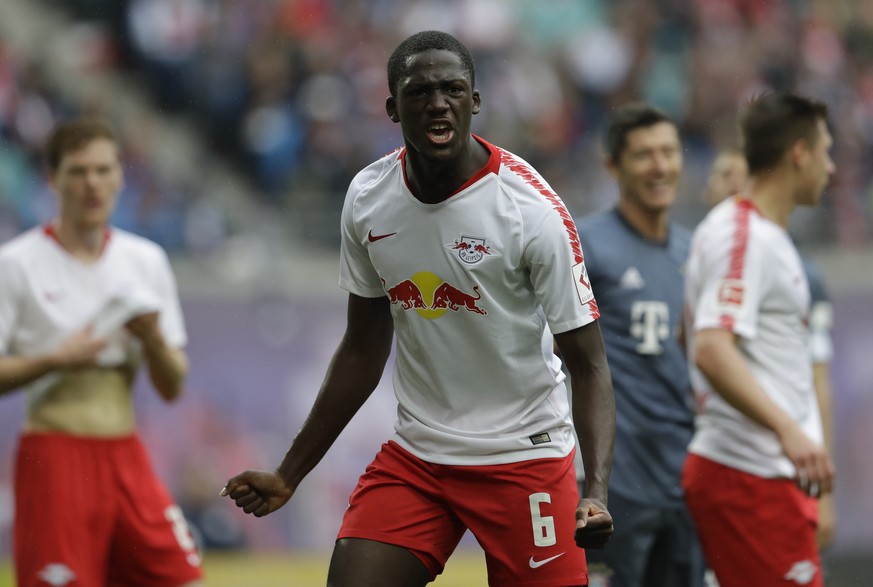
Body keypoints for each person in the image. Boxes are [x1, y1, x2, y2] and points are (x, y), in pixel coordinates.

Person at [221, 30, 616, 587]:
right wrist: (290, 474)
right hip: (421, 457)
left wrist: (594, 491)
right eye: (419, 91)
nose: (438, 103)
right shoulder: (368, 198)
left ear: (475, 101)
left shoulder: (532, 212)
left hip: (524, 458)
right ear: (391, 107)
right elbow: (362, 348)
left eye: (453, 89)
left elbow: (590, 364)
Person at [0, 117, 203, 587]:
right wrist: (55, 358)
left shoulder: (144, 260)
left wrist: (151, 338)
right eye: (77, 171)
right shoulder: (17, 264)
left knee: (184, 578)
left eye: (103, 169)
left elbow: (173, 386)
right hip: (55, 456)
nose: (92, 184)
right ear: (52, 179)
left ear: (119, 176)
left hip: (126, 455)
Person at [682, 93, 837, 587]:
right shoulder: (742, 236)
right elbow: (710, 347)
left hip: (763, 473)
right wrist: (790, 430)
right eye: (825, 151)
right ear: (799, 153)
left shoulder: (761, 236)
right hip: (747, 472)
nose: (831, 168)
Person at [573, 102, 705, 587]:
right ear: (613, 165)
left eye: (668, 152)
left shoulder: (696, 251)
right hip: (618, 486)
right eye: (644, 154)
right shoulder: (585, 243)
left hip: (685, 481)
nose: (660, 166)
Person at [704, 146, 838, 551]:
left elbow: (816, 380)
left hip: (764, 463)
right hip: (707, 459)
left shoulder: (799, 271)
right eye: (722, 172)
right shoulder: (691, 259)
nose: (731, 183)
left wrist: (826, 493)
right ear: (707, 189)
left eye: (738, 173)